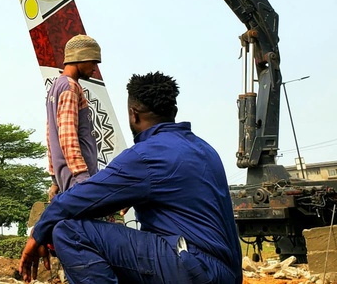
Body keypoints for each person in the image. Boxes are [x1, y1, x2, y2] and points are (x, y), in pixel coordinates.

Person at [21, 71, 242, 284]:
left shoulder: (146, 155)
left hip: (195, 269)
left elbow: (78, 199)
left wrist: (38, 233)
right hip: (224, 273)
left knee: (69, 232)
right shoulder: (205, 150)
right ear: (173, 110)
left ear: (133, 114)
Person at [46, 34, 102, 199]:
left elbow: (50, 135)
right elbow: (67, 137)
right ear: (80, 58)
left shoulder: (56, 87)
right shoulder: (70, 87)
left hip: (70, 180)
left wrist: (55, 179)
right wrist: (83, 178)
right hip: (78, 181)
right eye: (93, 62)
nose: (95, 68)